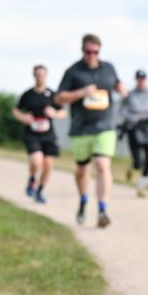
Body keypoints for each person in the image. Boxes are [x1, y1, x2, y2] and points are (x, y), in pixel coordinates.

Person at [55, 34, 127, 227]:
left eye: (95, 52)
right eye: (88, 52)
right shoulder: (73, 72)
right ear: (82, 51)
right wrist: (81, 93)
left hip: (104, 127)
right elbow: (59, 98)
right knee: (82, 169)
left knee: (102, 164)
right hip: (81, 129)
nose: (92, 55)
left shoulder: (109, 68)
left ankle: (103, 209)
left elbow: (117, 84)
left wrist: (122, 89)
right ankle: (83, 200)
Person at [13, 64, 66, 203]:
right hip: (32, 133)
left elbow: (63, 112)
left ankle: (40, 191)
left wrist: (54, 113)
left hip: (48, 134)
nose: (40, 77)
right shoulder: (28, 94)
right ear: (34, 75)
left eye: (42, 74)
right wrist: (23, 117)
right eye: (37, 74)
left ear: (46, 75)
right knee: (37, 160)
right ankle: (31, 178)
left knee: (48, 165)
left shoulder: (52, 94)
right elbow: (16, 110)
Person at [119, 69, 148, 197]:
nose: (141, 81)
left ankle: (141, 187)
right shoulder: (129, 95)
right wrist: (132, 117)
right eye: (139, 79)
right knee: (138, 162)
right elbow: (121, 111)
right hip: (134, 128)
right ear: (136, 80)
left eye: (143, 79)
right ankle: (133, 168)